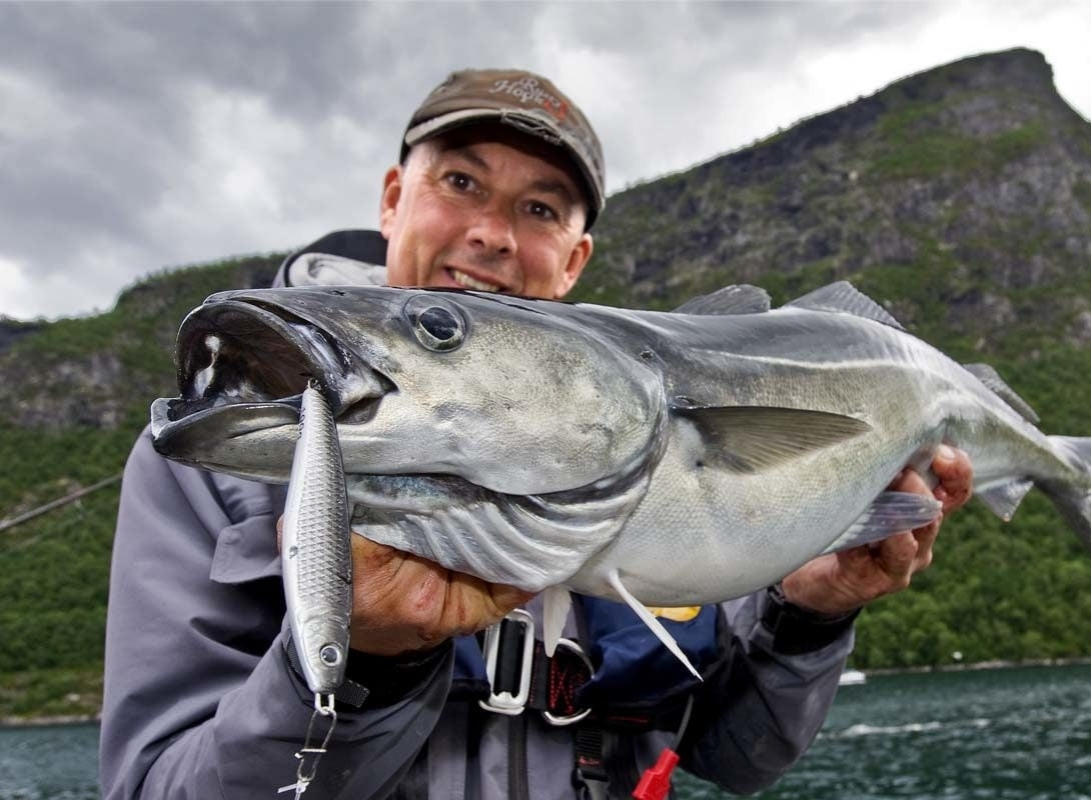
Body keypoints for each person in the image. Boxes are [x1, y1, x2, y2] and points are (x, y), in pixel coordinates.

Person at [100, 68, 972, 799]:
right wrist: (364, 662)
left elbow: (736, 756)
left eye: (543, 209)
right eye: (462, 182)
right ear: (395, 198)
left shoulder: (652, 443)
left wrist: (809, 618)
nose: (492, 235)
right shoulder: (216, 468)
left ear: (576, 259)